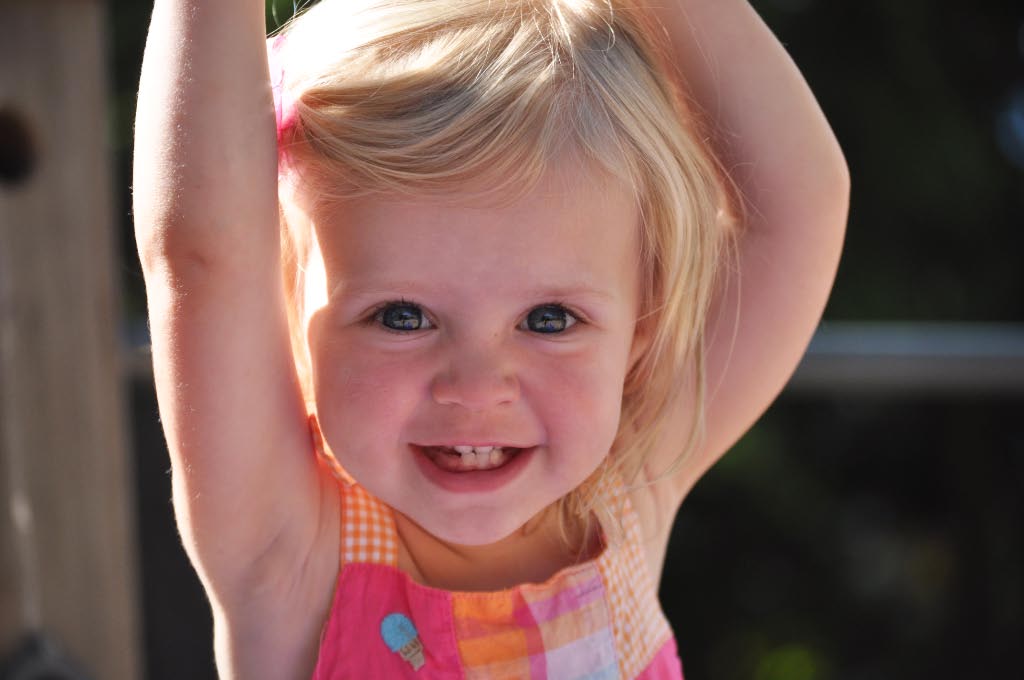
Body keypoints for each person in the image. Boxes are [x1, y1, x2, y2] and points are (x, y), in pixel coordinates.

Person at [133, 0, 848, 677]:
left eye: (549, 320)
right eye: (402, 316)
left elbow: (798, 206)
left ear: (644, 325)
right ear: (293, 320)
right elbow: (205, 253)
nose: (476, 389)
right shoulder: (285, 549)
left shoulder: (630, 491)